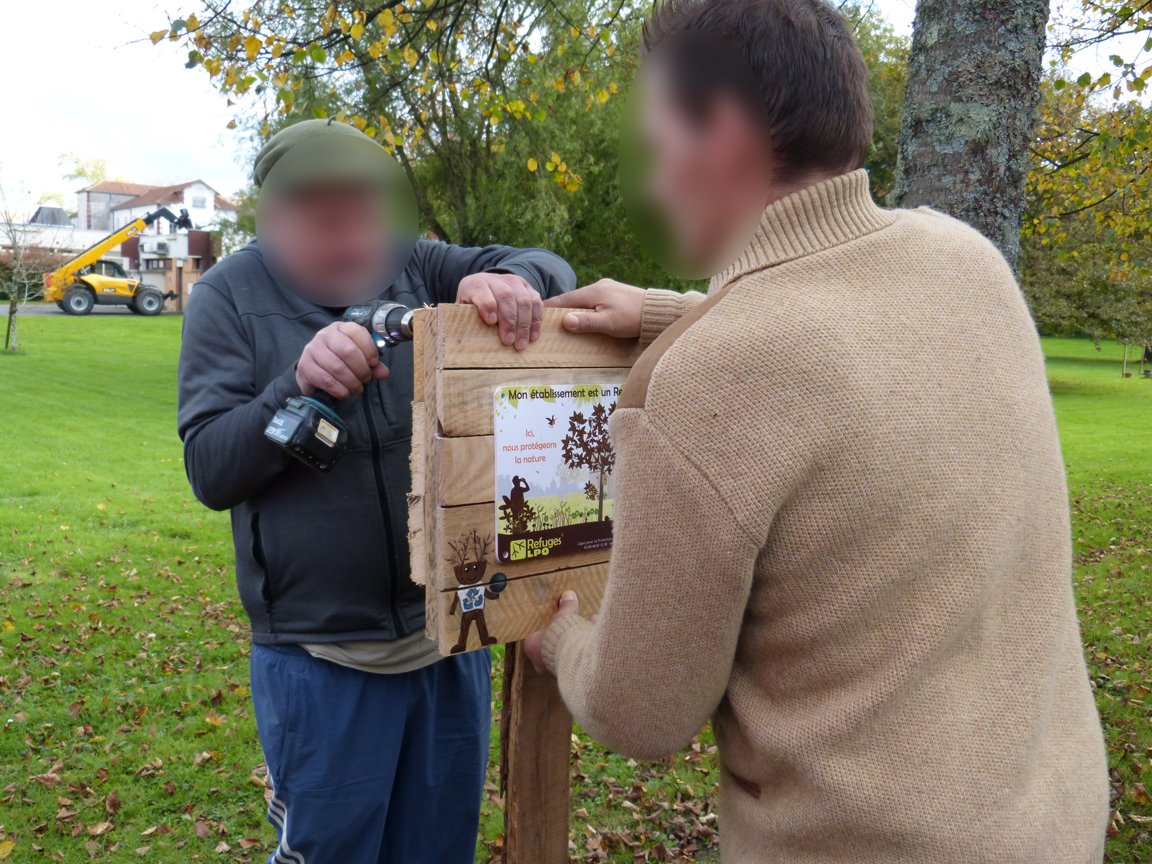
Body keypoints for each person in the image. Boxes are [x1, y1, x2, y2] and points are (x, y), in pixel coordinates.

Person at [523, 1, 1109, 861]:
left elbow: (642, 712)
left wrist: (561, 638)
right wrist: (668, 314)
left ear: (724, 133)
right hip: (1053, 821)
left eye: (658, 149)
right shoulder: (963, 260)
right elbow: (852, 343)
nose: (652, 183)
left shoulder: (711, 383)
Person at [177, 119, 575, 864]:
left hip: (451, 641)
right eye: (326, 222)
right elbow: (209, 467)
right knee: (333, 852)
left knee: (438, 849)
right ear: (272, 219)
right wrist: (295, 384)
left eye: (365, 215)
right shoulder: (228, 298)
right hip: (321, 660)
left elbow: (548, 264)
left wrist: (508, 284)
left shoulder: (415, 265)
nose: (355, 241)